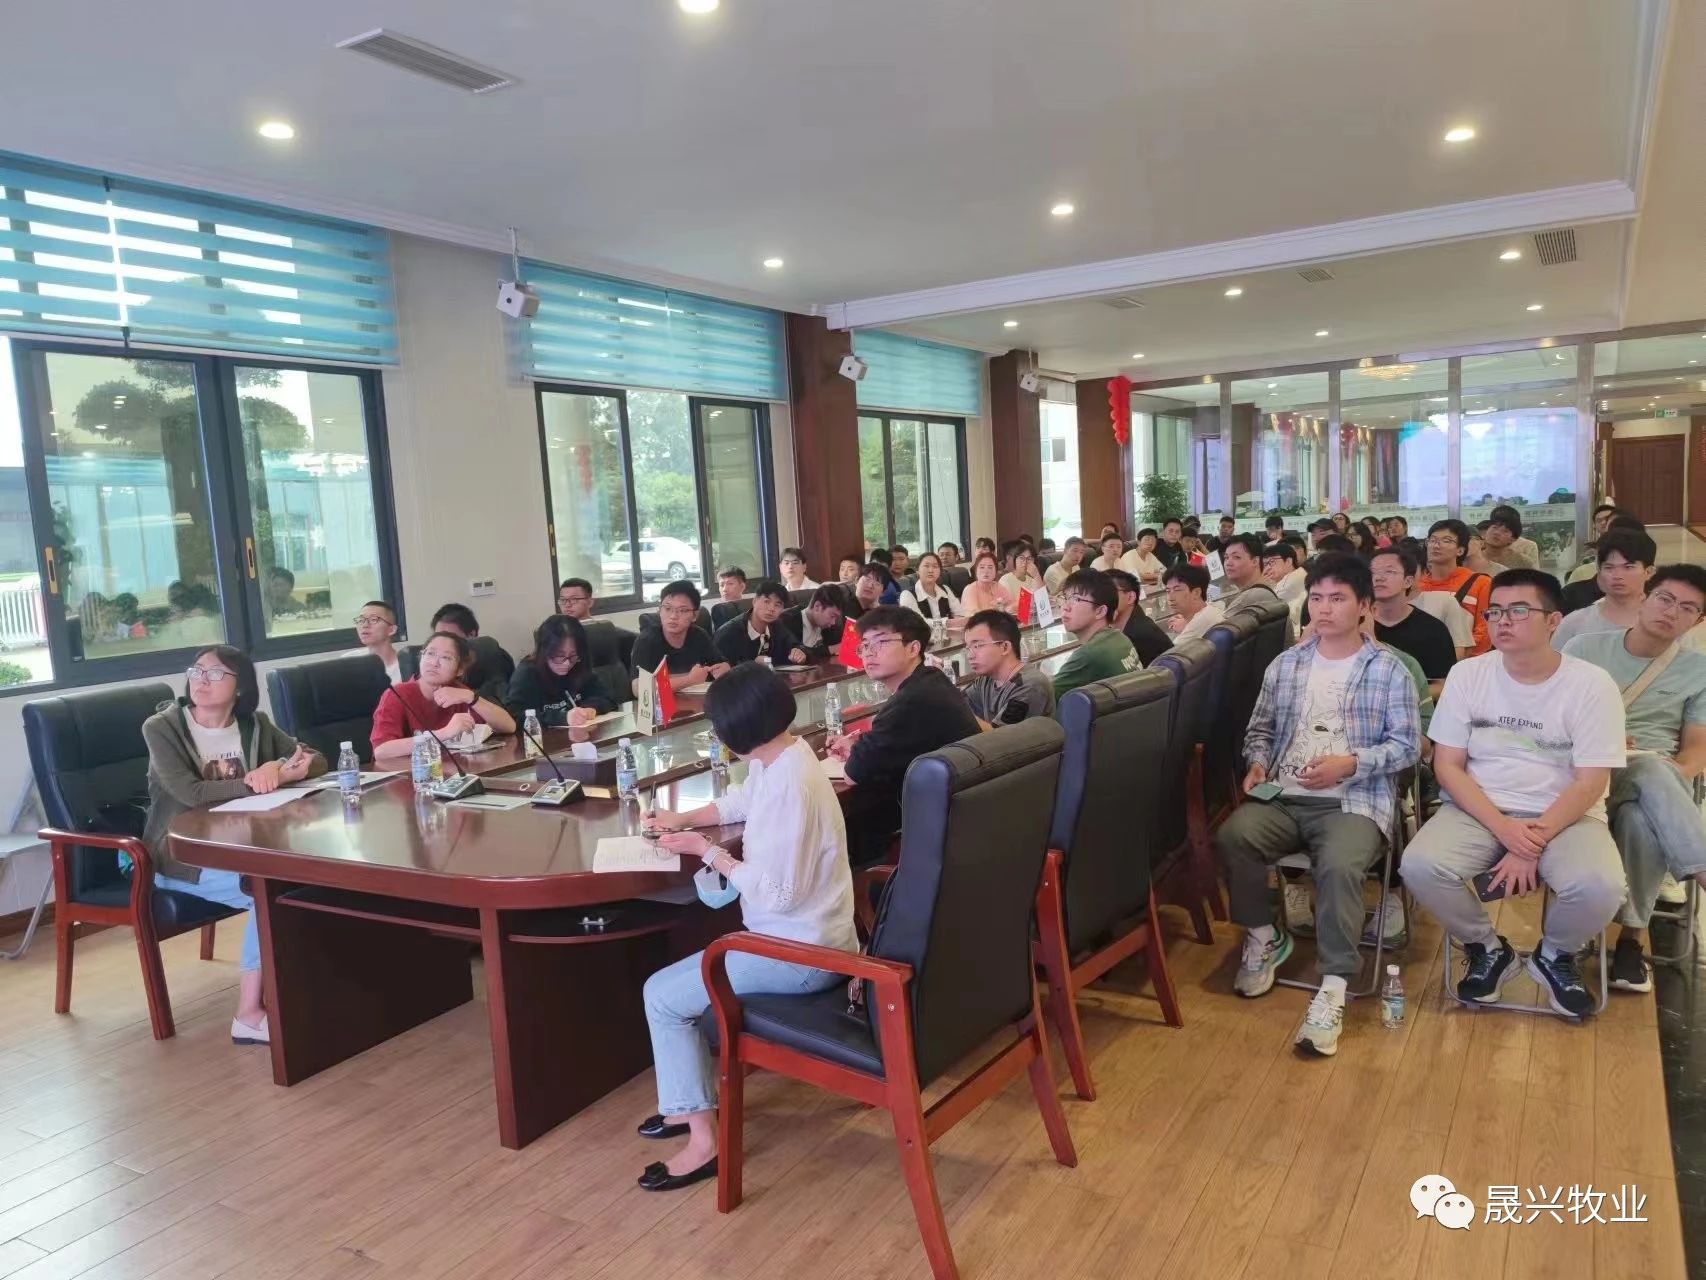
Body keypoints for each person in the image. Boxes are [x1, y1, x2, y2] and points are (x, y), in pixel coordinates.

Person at [636, 664, 857, 1191]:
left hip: (801, 954)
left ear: (738, 729)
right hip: (810, 935)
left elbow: (779, 893)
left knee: (661, 997)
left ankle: (703, 1144)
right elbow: (741, 800)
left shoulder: (789, 788)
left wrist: (708, 851)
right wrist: (685, 819)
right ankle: (684, 1101)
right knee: (676, 989)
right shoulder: (785, 754)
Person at [1216, 553, 1420, 1057]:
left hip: (1353, 799)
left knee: (1339, 864)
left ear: (1364, 606)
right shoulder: (1286, 664)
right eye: (1318, 598)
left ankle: (1333, 986)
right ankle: (1264, 935)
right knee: (1234, 836)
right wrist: (1257, 763)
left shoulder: (1388, 670)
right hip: (1285, 795)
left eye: (1338, 598)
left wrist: (1350, 763)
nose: (1324, 608)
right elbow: (1260, 730)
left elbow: (1408, 747)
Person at [1401, 570, 1626, 1019]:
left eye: (1519, 611)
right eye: (1495, 612)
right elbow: (1447, 765)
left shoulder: (1592, 683)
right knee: (1421, 865)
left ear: (1553, 620)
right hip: (1479, 808)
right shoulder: (1468, 674)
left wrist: (1529, 843)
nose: (1503, 621)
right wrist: (1506, 830)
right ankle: (1486, 947)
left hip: (1566, 814)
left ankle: (1556, 954)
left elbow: (1589, 782)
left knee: (1602, 887)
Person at [142, 646, 326, 1045]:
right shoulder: (162, 727)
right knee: (266, 890)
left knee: (305, 880)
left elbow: (315, 759)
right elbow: (191, 793)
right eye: (197, 671)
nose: (201, 680)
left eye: (215, 674)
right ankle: (248, 1014)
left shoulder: (254, 724)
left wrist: (279, 768)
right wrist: (260, 780)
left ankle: (305, 991)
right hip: (181, 857)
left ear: (240, 687)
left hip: (245, 846)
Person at [1564, 564, 1706, 990]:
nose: (1671, 612)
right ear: (1645, 599)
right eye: (1665, 599)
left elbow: (1696, 750)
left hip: (1650, 776)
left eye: (1687, 608)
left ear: (1697, 621)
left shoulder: (1699, 670)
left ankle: (1629, 941)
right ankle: (1635, 938)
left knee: (1642, 814)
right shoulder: (1584, 648)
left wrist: (1672, 775)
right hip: (1583, 777)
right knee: (1649, 776)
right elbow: (1552, 719)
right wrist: (1604, 738)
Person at [825, 606, 979, 862]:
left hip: (936, 838)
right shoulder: (932, 680)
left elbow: (853, 774)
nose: (869, 652)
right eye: (864, 645)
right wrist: (860, 745)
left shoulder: (910, 701)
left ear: (913, 648)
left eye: (881, 642)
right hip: (960, 817)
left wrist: (858, 750)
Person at [372, 630, 518, 758]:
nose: (434, 663)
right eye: (430, 653)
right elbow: (381, 751)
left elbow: (509, 726)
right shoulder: (397, 694)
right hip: (412, 775)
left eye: (446, 657)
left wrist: (472, 698)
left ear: (460, 669)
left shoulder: (458, 691)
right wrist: (444, 733)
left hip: (453, 771)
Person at [504, 614, 618, 730]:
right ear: (544, 651)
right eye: (559, 656)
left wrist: (591, 708)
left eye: (573, 655)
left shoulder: (579, 665)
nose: (567, 663)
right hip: (545, 739)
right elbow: (514, 717)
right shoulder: (527, 674)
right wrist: (562, 717)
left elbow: (608, 697)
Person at [1549, 528, 1657, 651]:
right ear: (1599, 572)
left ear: (1649, 572)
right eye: (1609, 567)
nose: (1617, 575)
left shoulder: (1664, 619)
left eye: (1628, 567)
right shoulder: (1574, 624)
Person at [1368, 547, 1457, 695]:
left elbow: (1442, 685)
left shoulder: (1432, 629)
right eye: (1372, 572)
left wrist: (1398, 696)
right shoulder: (1356, 624)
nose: (1378, 578)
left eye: (1389, 571)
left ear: (1408, 581)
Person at [1051, 569, 1140, 697]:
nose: (1065, 607)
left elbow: (1043, 698)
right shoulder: (1120, 638)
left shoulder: (1089, 655)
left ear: (1100, 611)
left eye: (1076, 599)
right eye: (1065, 598)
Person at [630, 581, 729, 690]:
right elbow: (638, 687)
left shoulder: (699, 635)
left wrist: (724, 667)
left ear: (694, 615)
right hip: (662, 701)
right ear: (659, 610)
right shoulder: (647, 640)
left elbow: (720, 664)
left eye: (682, 610)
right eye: (667, 609)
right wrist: (689, 680)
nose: (673, 616)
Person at [962, 609, 1056, 725]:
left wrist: (957, 712)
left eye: (977, 646)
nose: (970, 656)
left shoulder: (1030, 685)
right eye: (968, 648)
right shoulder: (985, 681)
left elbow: (1000, 734)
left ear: (1005, 647)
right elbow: (958, 704)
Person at [1418, 519, 1492, 655]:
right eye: (1432, 540)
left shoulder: (1481, 583)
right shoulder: (1416, 586)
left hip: (1466, 661)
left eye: (1446, 540)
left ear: (1460, 550)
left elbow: (1486, 630)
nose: (1436, 545)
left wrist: (1457, 654)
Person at [428, 603, 515, 703]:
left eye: (450, 637)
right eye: (438, 637)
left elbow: (502, 703)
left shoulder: (495, 657)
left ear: (471, 635)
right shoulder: (431, 665)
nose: (443, 644)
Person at [714, 579, 803, 665]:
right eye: (766, 602)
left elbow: (795, 645)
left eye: (777, 605)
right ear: (754, 601)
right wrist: (753, 665)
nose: (771, 609)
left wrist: (799, 652)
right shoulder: (729, 633)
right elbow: (721, 667)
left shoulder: (776, 625)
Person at [1106, 569, 1172, 667]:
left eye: (1109, 592)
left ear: (1130, 597)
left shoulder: (1140, 634)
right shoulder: (1133, 626)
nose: (1101, 598)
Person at [1162, 563, 1224, 643]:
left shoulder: (1202, 621)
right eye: (1168, 591)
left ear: (1196, 593)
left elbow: (1172, 650)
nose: (1170, 598)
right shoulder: (1209, 610)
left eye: (1177, 590)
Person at [782, 585, 846, 662]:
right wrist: (832, 649)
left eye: (836, 618)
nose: (833, 622)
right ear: (817, 606)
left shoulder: (829, 626)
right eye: (832, 616)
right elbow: (794, 652)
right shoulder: (788, 621)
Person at [897, 551, 962, 622]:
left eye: (935, 566)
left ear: (940, 571)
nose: (931, 570)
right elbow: (917, 623)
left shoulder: (946, 590)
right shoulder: (907, 595)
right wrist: (948, 622)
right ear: (917, 571)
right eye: (926, 566)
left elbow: (959, 614)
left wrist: (958, 621)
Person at [349, 599, 402, 683]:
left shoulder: (405, 667)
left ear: (391, 630)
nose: (365, 625)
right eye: (361, 620)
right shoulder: (349, 661)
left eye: (373, 619)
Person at [1483, 505, 1540, 570]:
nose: (1497, 533)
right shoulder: (1474, 556)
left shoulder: (1523, 562)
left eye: (1505, 531)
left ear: (1513, 539)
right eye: (1494, 527)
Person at [959, 551, 1012, 616]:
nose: (986, 571)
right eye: (982, 567)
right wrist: (994, 609)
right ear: (976, 571)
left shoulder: (998, 586)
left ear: (996, 571)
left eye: (990, 567)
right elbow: (974, 616)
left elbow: (1010, 606)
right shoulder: (970, 589)